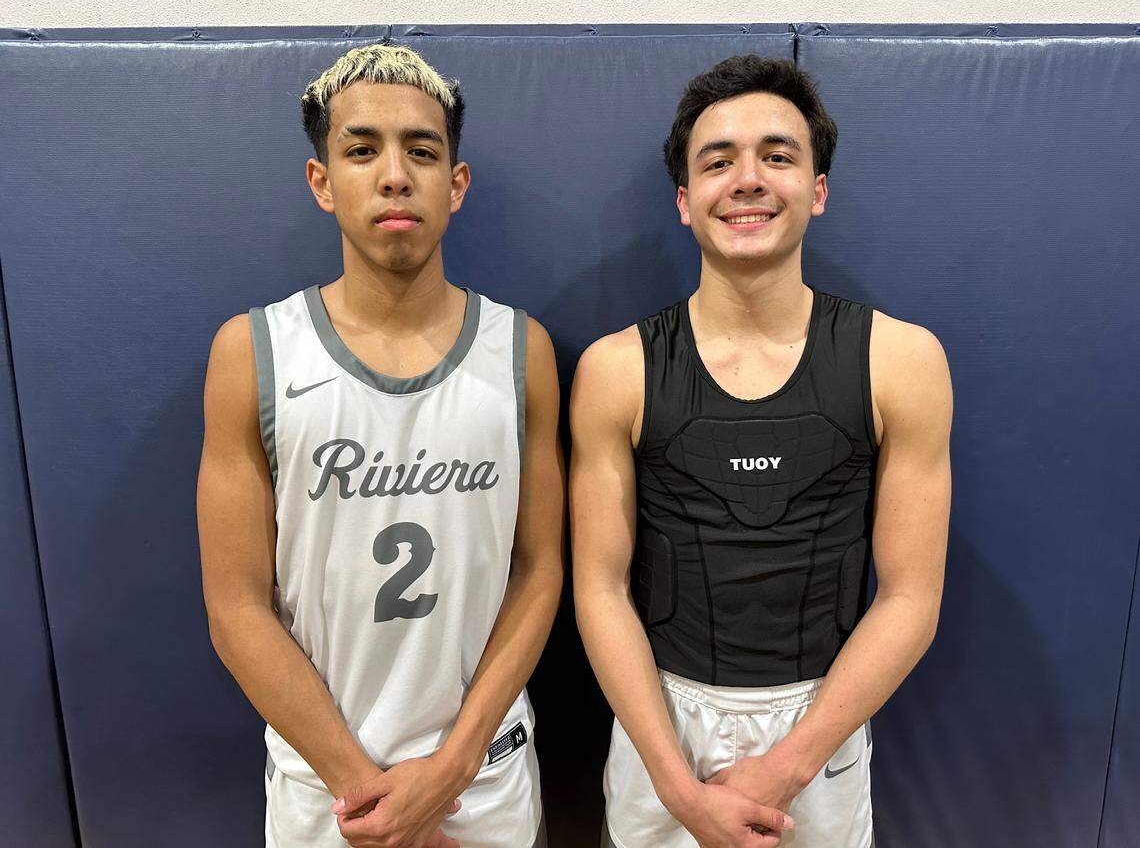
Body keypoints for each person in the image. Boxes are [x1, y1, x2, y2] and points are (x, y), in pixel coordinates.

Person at [571, 55, 951, 848]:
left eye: (777, 156)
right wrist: (678, 786)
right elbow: (600, 589)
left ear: (816, 189)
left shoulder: (901, 361)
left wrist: (786, 766)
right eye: (718, 162)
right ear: (684, 201)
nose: (747, 179)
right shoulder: (616, 371)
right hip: (660, 725)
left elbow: (911, 596)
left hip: (821, 733)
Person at [197, 43, 563, 848]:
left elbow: (540, 569)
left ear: (455, 184)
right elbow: (235, 606)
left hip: (484, 777)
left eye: (421, 151)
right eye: (361, 149)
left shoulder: (519, 348)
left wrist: (449, 774)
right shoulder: (252, 351)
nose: (394, 174)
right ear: (321, 181)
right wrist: (372, 795)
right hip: (327, 792)